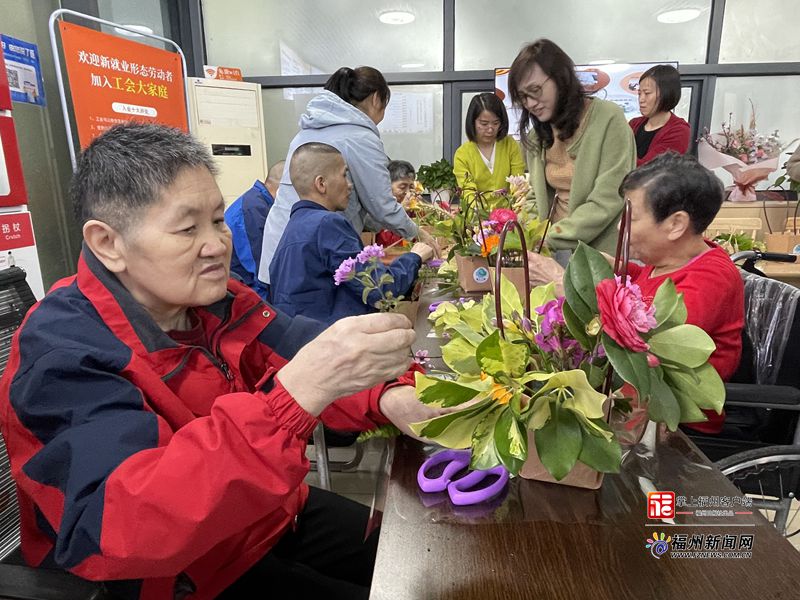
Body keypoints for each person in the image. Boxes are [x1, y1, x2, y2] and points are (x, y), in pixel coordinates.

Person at [0, 123, 444, 600]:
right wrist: (293, 398)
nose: (216, 245)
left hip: (260, 518)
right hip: (178, 576)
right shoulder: (64, 351)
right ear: (108, 243)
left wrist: (390, 395)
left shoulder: (215, 300)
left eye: (217, 219)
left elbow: (296, 348)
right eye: (188, 228)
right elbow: (125, 524)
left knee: (430, 555)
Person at [526, 152, 744, 434]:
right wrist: (608, 267)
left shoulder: (711, 279)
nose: (620, 226)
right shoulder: (666, 264)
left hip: (675, 429)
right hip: (624, 408)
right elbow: (643, 285)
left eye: (632, 216)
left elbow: (646, 345)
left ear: (676, 224)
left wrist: (563, 283)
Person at [258, 66, 438, 296]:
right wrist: (418, 234)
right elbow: (381, 205)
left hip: (281, 251)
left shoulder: (310, 128)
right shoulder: (360, 136)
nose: (349, 184)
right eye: (344, 176)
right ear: (376, 99)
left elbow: (368, 206)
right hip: (313, 258)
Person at [269, 143, 433, 325]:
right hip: (333, 342)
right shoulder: (328, 224)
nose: (350, 185)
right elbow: (380, 289)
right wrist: (415, 256)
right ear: (321, 184)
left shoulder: (294, 226)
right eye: (344, 175)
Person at [508, 39, 636, 256]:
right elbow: (534, 197)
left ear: (561, 78)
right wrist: (526, 234)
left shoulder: (607, 119)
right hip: (551, 250)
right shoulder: (537, 136)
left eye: (536, 90)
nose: (530, 103)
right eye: (523, 97)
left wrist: (548, 237)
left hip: (596, 254)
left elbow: (609, 198)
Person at [224, 160, 285, 299]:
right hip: (246, 291)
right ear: (283, 190)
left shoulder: (260, 203)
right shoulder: (252, 210)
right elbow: (262, 275)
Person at [453, 92, 525, 203]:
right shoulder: (462, 154)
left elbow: (518, 183)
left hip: (510, 215)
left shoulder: (510, 145)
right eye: (484, 123)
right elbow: (468, 193)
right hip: (477, 216)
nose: (490, 129)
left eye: (496, 123)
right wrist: (479, 215)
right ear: (472, 122)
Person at [629, 64, 690, 166]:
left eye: (647, 93)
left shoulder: (679, 130)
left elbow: (650, 168)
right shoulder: (634, 124)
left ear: (666, 94)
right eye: (639, 93)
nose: (641, 99)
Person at [375, 159, 417, 248]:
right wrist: (402, 210)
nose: (408, 192)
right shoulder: (381, 208)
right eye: (402, 187)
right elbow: (387, 243)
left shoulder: (412, 209)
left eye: (411, 187)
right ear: (387, 185)